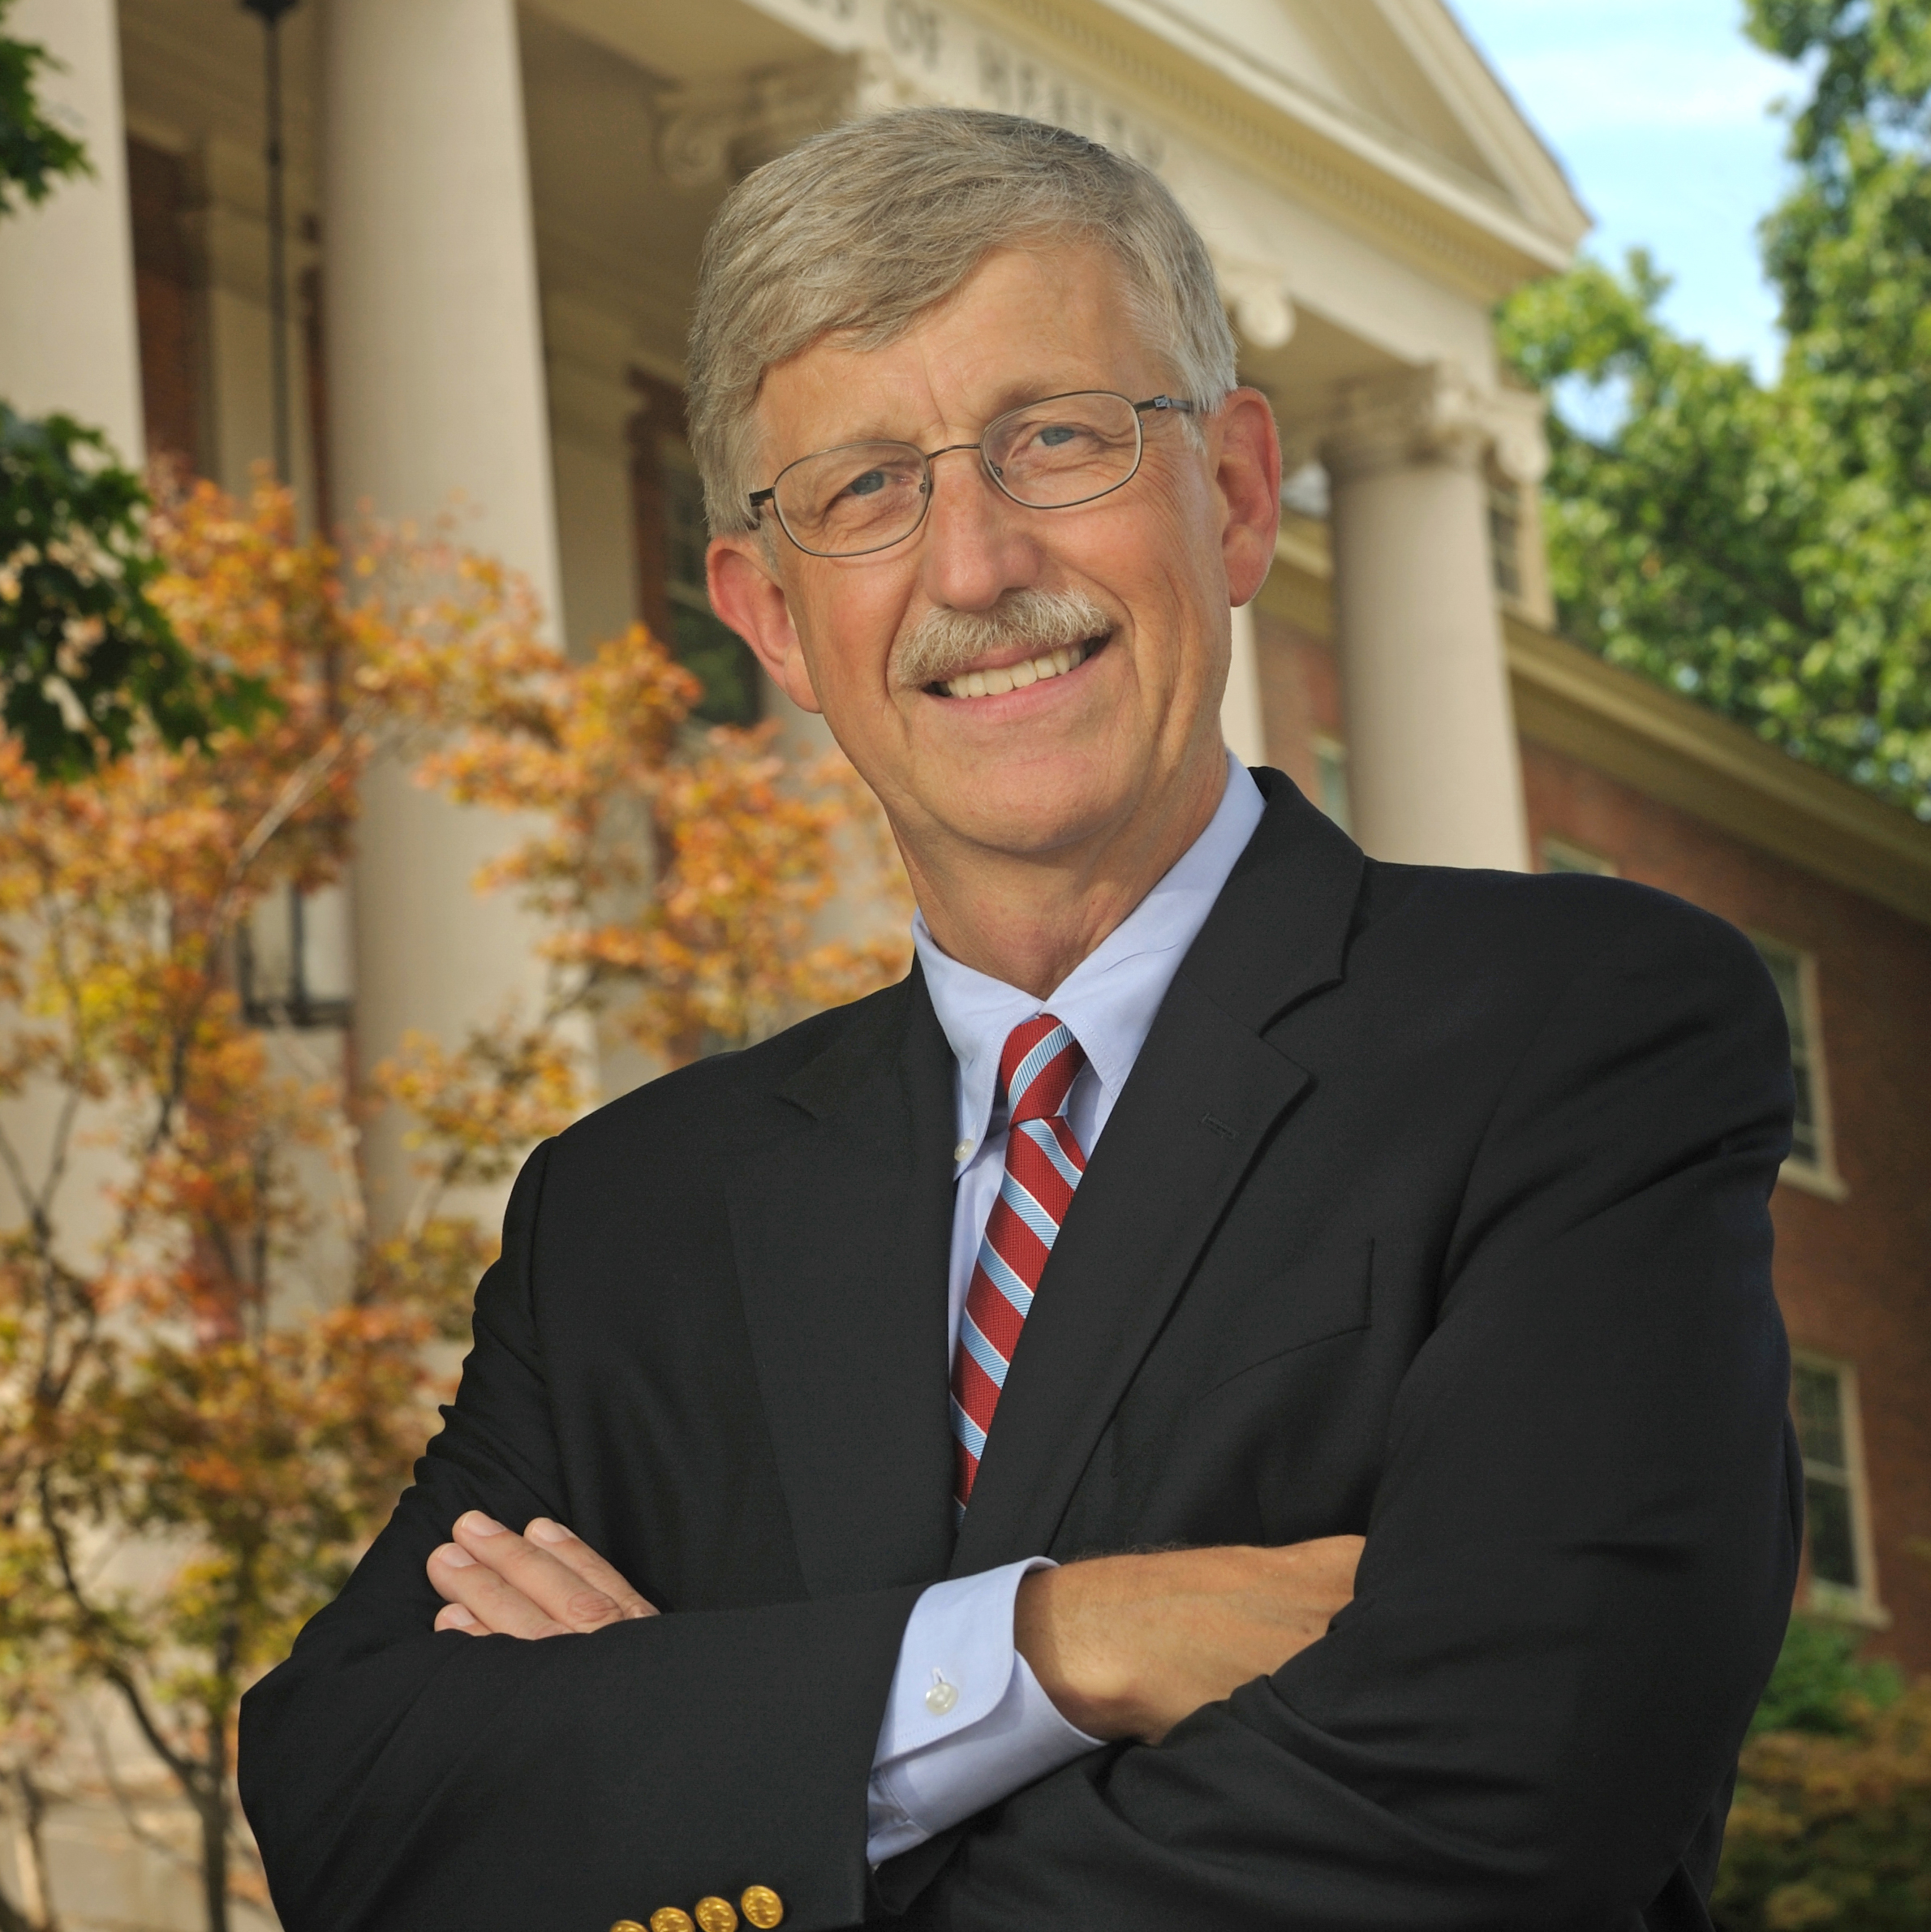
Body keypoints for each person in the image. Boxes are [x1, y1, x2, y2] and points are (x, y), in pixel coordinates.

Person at [239, 108, 1800, 1932]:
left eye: (1052, 440)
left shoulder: (1575, 1036)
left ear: (1225, 497)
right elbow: (356, 1799)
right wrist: (1064, 1642)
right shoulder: (627, 1220)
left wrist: (722, 1771)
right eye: (862, 491)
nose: (971, 566)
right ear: (772, 616)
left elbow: (1509, 1799)